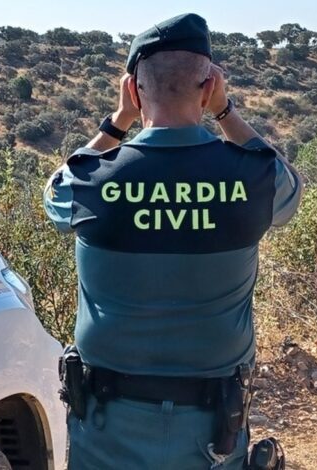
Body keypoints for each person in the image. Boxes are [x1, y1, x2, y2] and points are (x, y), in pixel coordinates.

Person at [44, 13, 302, 470]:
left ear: (133, 89)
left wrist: (119, 120)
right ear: (209, 89)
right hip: (211, 430)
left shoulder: (87, 179)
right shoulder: (255, 177)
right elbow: (289, 187)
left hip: (106, 425)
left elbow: (54, 193)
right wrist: (227, 113)